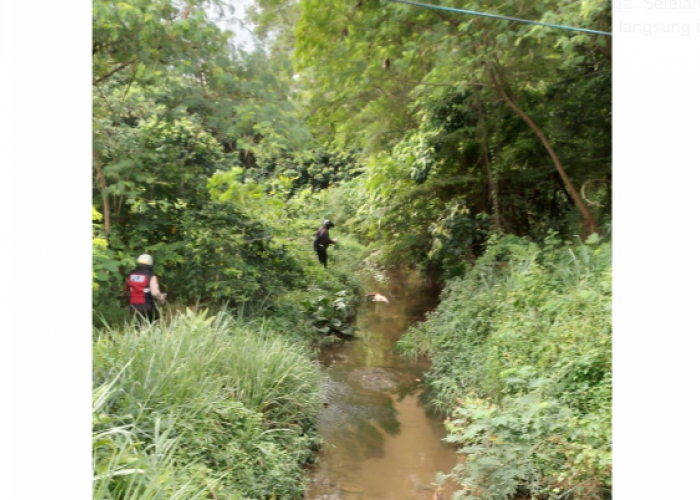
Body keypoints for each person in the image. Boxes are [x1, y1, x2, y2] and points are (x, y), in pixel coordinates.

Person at [125, 254, 166, 323]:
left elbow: (127, 289)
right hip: (146, 305)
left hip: (133, 307)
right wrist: (161, 298)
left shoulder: (131, 275)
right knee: (155, 323)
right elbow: (155, 292)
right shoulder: (150, 276)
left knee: (138, 327)